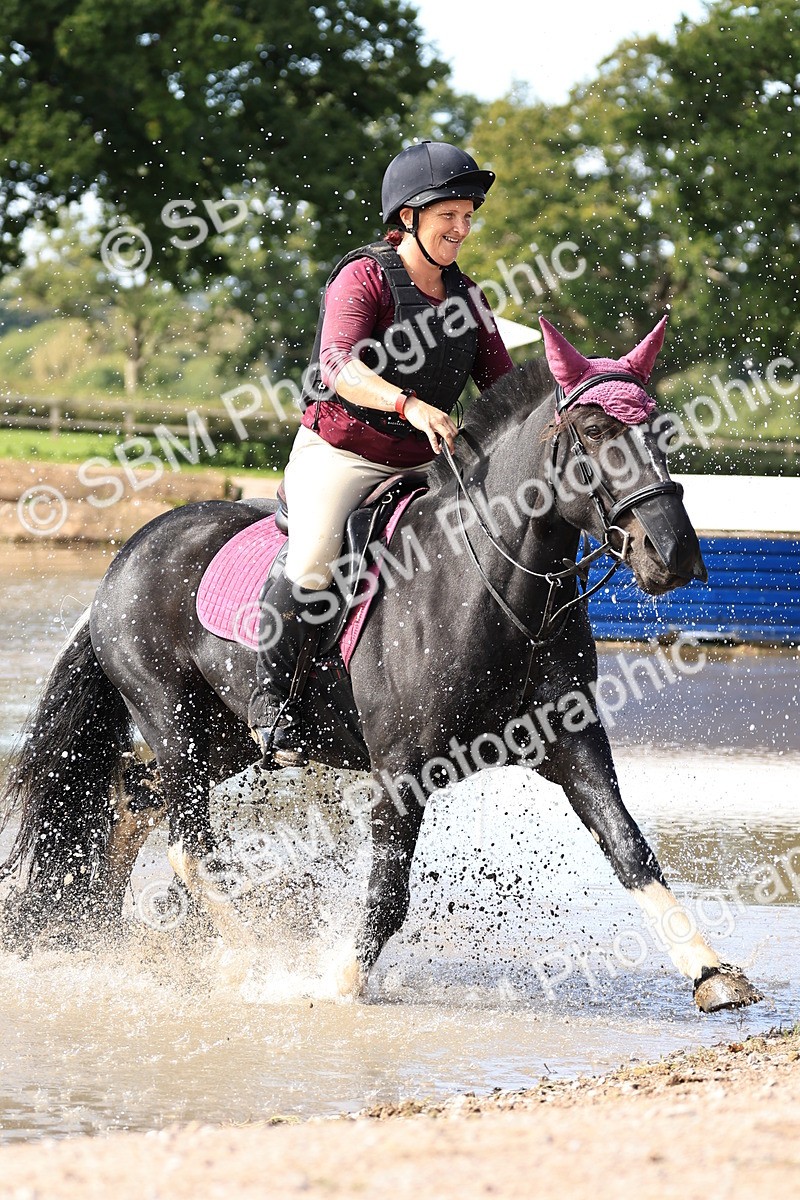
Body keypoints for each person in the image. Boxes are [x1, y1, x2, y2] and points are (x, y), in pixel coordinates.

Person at [248, 140, 514, 767]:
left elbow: (503, 389)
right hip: (344, 451)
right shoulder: (363, 277)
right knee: (314, 556)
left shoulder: (470, 300)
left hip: (426, 461)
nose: (462, 228)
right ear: (408, 218)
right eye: (449, 215)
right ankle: (272, 703)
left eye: (468, 215)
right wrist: (409, 405)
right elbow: (339, 367)